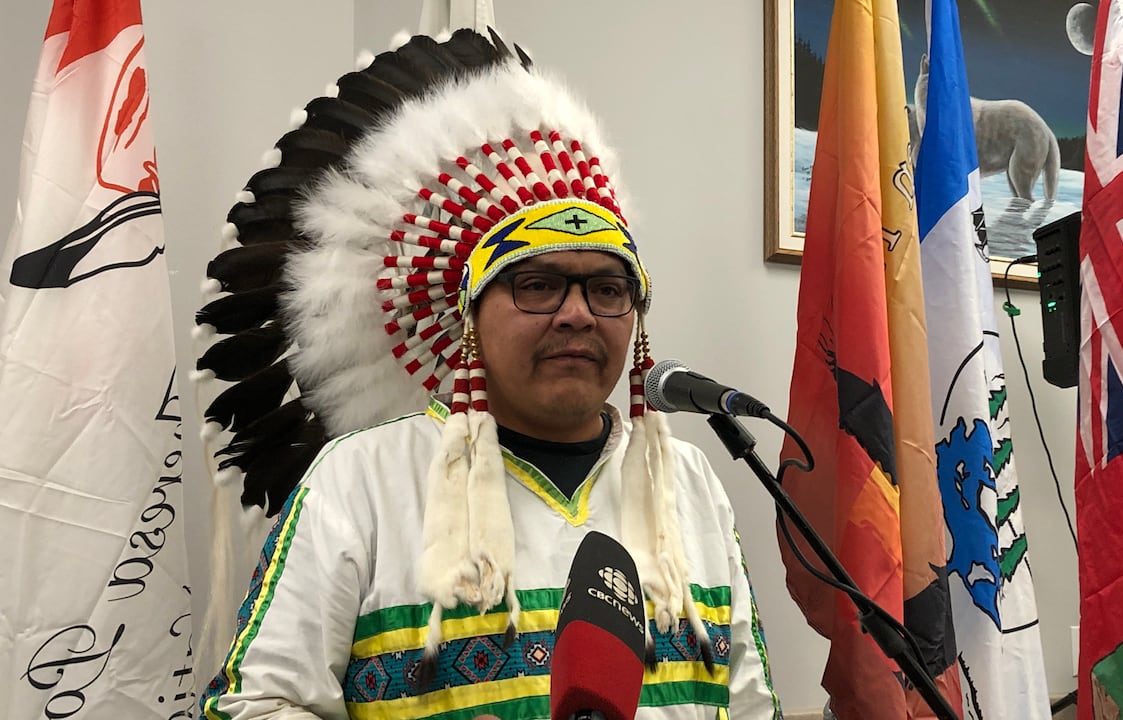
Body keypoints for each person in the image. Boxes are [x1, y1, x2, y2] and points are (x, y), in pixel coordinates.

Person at [193, 28, 781, 719]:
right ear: (469, 318)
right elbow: (257, 704)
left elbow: (750, 704)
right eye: (538, 285)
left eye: (607, 289)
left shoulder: (688, 481)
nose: (577, 315)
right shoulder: (359, 482)